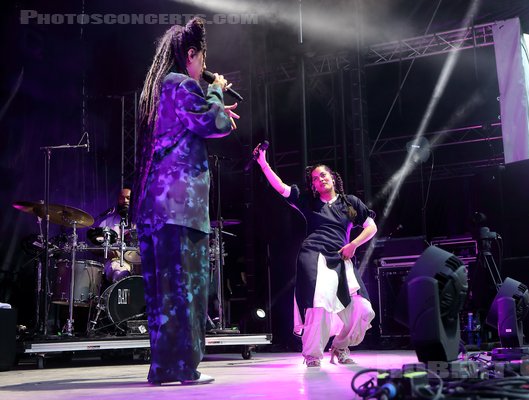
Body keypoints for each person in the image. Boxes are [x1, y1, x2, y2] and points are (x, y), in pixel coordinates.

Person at [132, 17, 239, 385]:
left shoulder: (156, 90)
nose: (205, 68)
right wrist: (217, 94)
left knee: (163, 297)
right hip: (181, 206)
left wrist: (214, 109)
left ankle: (162, 368)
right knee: (188, 292)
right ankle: (187, 368)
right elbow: (213, 124)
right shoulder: (180, 82)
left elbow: (197, 123)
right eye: (203, 60)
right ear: (190, 54)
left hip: (153, 207)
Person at [254, 145, 377, 367]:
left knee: (363, 309)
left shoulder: (349, 204)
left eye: (323, 175)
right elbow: (281, 187)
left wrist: (354, 245)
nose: (320, 180)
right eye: (315, 179)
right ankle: (312, 355)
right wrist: (263, 163)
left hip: (341, 257)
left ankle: (340, 347)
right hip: (314, 254)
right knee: (318, 304)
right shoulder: (309, 202)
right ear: (313, 185)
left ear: (332, 177)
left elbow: (371, 227)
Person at [95, 188, 138, 282]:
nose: (125, 201)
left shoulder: (141, 222)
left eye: (128, 198)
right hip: (115, 262)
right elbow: (95, 246)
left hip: (139, 264)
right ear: (118, 200)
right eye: (122, 198)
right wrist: (107, 251)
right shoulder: (107, 222)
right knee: (121, 273)